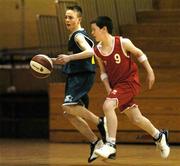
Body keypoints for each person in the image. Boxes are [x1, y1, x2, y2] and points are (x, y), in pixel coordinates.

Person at [58, 16, 170, 160]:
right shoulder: (98, 50)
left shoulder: (122, 42)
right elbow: (103, 73)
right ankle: (159, 136)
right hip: (117, 86)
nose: (92, 33)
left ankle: (110, 144)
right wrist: (108, 88)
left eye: (94, 30)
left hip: (130, 83)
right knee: (136, 118)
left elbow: (139, 54)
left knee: (107, 106)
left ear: (104, 29)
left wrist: (150, 72)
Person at [52, 6, 108, 163]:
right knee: (69, 113)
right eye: (66, 17)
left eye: (71, 17)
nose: (67, 20)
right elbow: (76, 57)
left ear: (79, 19)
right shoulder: (77, 36)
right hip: (76, 76)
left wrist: (69, 58)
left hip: (81, 76)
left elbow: (91, 52)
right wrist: (50, 61)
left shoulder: (77, 36)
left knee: (67, 106)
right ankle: (95, 142)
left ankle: (100, 122)